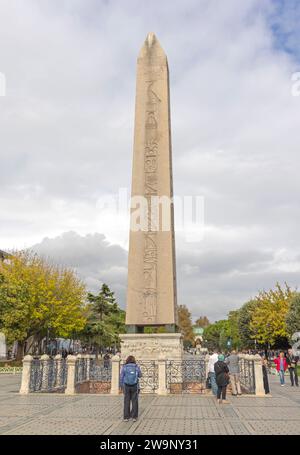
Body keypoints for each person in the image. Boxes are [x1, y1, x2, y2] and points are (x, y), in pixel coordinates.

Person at [120, 356, 142, 422]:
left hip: (126, 385)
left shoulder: (124, 367)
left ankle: (126, 417)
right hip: (135, 385)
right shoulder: (136, 367)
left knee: (126, 401)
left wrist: (121, 386)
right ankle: (134, 417)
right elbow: (140, 375)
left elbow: (121, 377)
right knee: (134, 401)